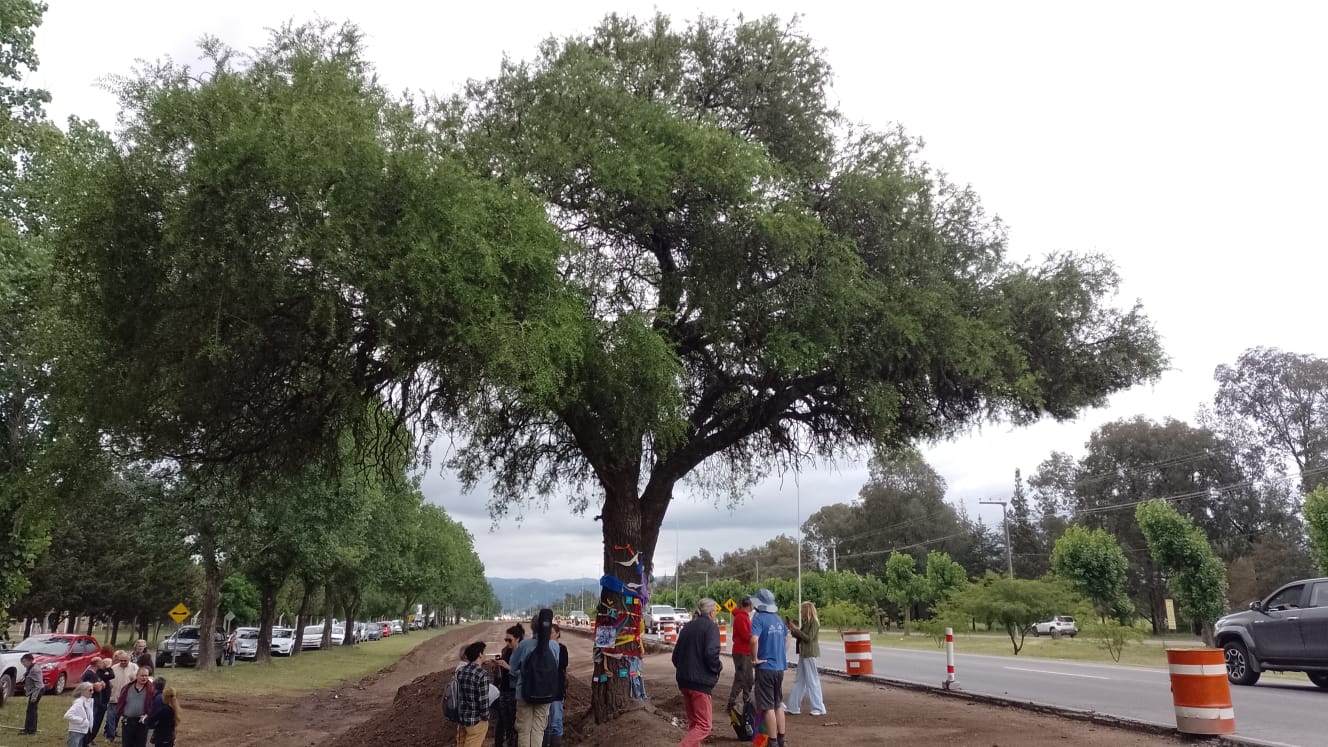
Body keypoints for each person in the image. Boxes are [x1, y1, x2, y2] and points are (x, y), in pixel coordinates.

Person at [672, 598, 722, 747]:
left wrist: (685, 670)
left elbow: (675, 656)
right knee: (704, 725)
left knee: (695, 724)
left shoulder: (687, 627)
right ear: (712, 612)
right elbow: (711, 654)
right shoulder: (711, 627)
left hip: (684, 681)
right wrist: (717, 668)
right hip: (700, 683)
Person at [509, 609, 560, 747]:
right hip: (546, 693)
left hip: (524, 692)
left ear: (532, 627)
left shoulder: (524, 645)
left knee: (524, 730)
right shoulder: (555, 646)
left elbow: (513, 670)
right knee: (538, 729)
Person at [749, 588, 789, 747]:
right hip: (779, 668)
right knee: (778, 703)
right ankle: (782, 739)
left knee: (767, 706)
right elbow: (787, 638)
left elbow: (753, 640)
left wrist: (755, 658)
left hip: (765, 667)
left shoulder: (759, 619)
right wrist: (781, 655)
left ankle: (771, 741)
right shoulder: (778, 619)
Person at [786, 601, 825, 716]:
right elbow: (801, 636)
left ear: (807, 610)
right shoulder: (806, 622)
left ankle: (818, 707)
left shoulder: (814, 623)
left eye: (802, 610)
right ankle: (793, 706)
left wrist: (796, 630)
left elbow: (808, 638)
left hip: (809, 654)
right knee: (799, 680)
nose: (801, 612)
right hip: (804, 654)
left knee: (812, 680)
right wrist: (793, 629)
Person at [454, 642, 492, 747]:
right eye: (484, 653)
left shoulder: (461, 671)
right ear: (480, 654)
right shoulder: (481, 674)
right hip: (476, 721)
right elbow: (483, 701)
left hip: (462, 719)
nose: (485, 655)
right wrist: (486, 717)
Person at [493, 624, 524, 747]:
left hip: (515, 692)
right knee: (505, 724)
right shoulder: (505, 651)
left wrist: (508, 667)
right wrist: (497, 666)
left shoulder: (523, 654)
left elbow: (524, 674)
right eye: (505, 640)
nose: (507, 642)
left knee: (515, 725)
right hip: (503, 691)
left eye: (509, 640)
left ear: (518, 639)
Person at [725, 596, 755, 713]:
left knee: (747, 678)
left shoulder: (743, 616)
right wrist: (755, 638)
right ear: (748, 605)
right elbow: (745, 635)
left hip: (744, 651)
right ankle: (732, 703)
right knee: (742, 678)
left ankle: (745, 701)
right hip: (741, 651)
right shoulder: (741, 617)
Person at [542, 624, 569, 747]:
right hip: (545, 690)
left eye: (551, 633)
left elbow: (562, 665)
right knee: (546, 723)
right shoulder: (543, 648)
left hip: (557, 690)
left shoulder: (562, 649)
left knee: (556, 721)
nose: (549, 635)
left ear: (558, 633)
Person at [117, 666, 157, 747]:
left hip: (142, 721)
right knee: (127, 744)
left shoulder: (151, 689)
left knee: (140, 744)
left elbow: (154, 705)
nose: (144, 678)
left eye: (146, 675)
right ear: (137, 676)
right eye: (142, 675)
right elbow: (121, 702)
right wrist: (121, 715)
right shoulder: (127, 688)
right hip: (128, 721)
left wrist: (147, 715)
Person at [104, 651, 138, 743]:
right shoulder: (114, 668)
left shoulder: (134, 667)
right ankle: (110, 736)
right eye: (121, 660)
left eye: (125, 660)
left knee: (127, 719)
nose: (123, 662)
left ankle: (128, 736)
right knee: (111, 718)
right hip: (114, 697)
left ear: (129, 659)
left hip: (128, 699)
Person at [64, 682, 96, 747]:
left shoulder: (89, 702)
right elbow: (67, 715)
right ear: (82, 691)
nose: (92, 692)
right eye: (90, 690)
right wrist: (82, 721)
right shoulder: (79, 703)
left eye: (93, 690)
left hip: (84, 731)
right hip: (76, 731)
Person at [20, 653, 42, 735]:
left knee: (32, 711)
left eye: (24, 662)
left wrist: (34, 696)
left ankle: (31, 731)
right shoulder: (31, 667)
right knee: (30, 710)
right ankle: (27, 729)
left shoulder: (35, 670)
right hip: (33, 691)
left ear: (30, 661)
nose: (23, 664)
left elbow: (39, 685)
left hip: (36, 691)